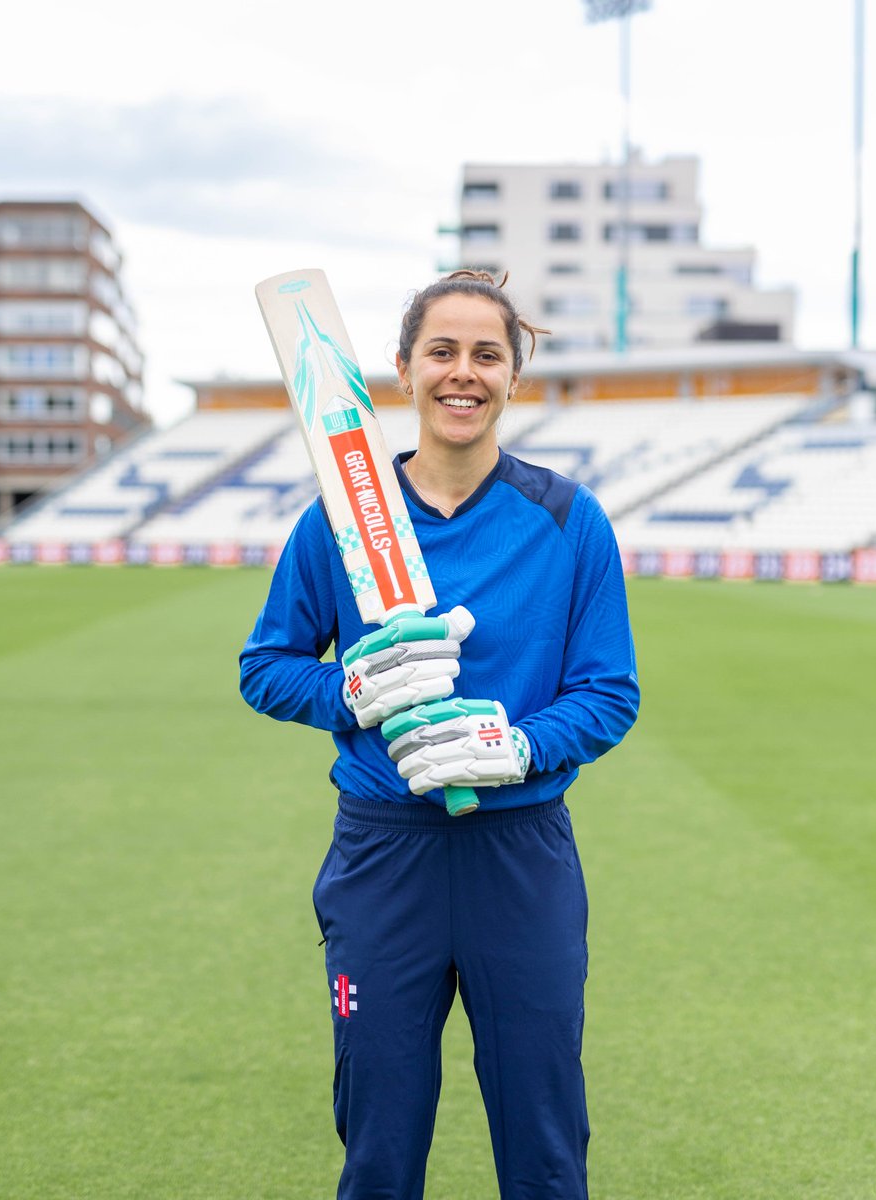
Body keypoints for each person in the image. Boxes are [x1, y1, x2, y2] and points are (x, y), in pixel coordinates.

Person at [239, 270, 640, 1200]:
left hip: (520, 855)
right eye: (443, 352)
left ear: (514, 375)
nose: (465, 374)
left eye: (487, 355)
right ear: (404, 370)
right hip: (386, 856)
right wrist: (354, 688)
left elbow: (608, 694)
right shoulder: (341, 519)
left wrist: (520, 748)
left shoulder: (567, 519)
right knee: (379, 1141)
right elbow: (266, 668)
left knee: (544, 1143)